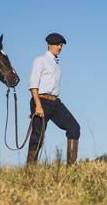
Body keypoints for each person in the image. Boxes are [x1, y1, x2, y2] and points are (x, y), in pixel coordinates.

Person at [27, 33, 80, 165]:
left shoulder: (56, 65)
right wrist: (37, 106)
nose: (60, 47)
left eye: (61, 45)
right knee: (37, 136)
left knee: (74, 127)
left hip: (55, 102)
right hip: (41, 100)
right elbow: (33, 85)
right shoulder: (40, 60)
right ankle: (30, 170)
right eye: (57, 44)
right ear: (49, 45)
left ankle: (71, 168)